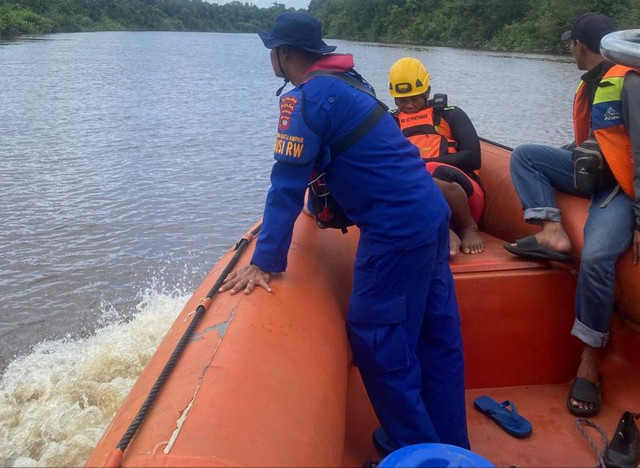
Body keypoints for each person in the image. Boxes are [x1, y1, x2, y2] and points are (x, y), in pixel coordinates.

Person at [219, 11, 470, 455]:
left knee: (377, 339)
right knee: (436, 338)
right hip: (431, 213)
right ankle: (451, 445)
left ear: (284, 54)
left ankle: (421, 452)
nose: (270, 60)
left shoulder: (307, 100)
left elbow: (286, 185)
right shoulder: (351, 83)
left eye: (270, 51)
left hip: (395, 230)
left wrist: (264, 261)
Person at [504, 12, 640, 417]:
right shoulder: (592, 84)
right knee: (526, 155)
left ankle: (590, 359)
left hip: (620, 189)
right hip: (595, 171)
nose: (569, 49)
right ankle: (552, 230)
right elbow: (596, 139)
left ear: (580, 45)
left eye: (571, 43)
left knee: (598, 258)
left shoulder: (629, 82)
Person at [389, 57, 485, 256]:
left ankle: (468, 228)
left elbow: (473, 158)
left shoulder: (450, 114)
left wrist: (420, 164)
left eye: (414, 97)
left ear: (427, 91)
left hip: (463, 195)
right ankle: (442, 227)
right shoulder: (390, 121)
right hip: (413, 197)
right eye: (402, 100)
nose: (408, 105)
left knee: (427, 172)